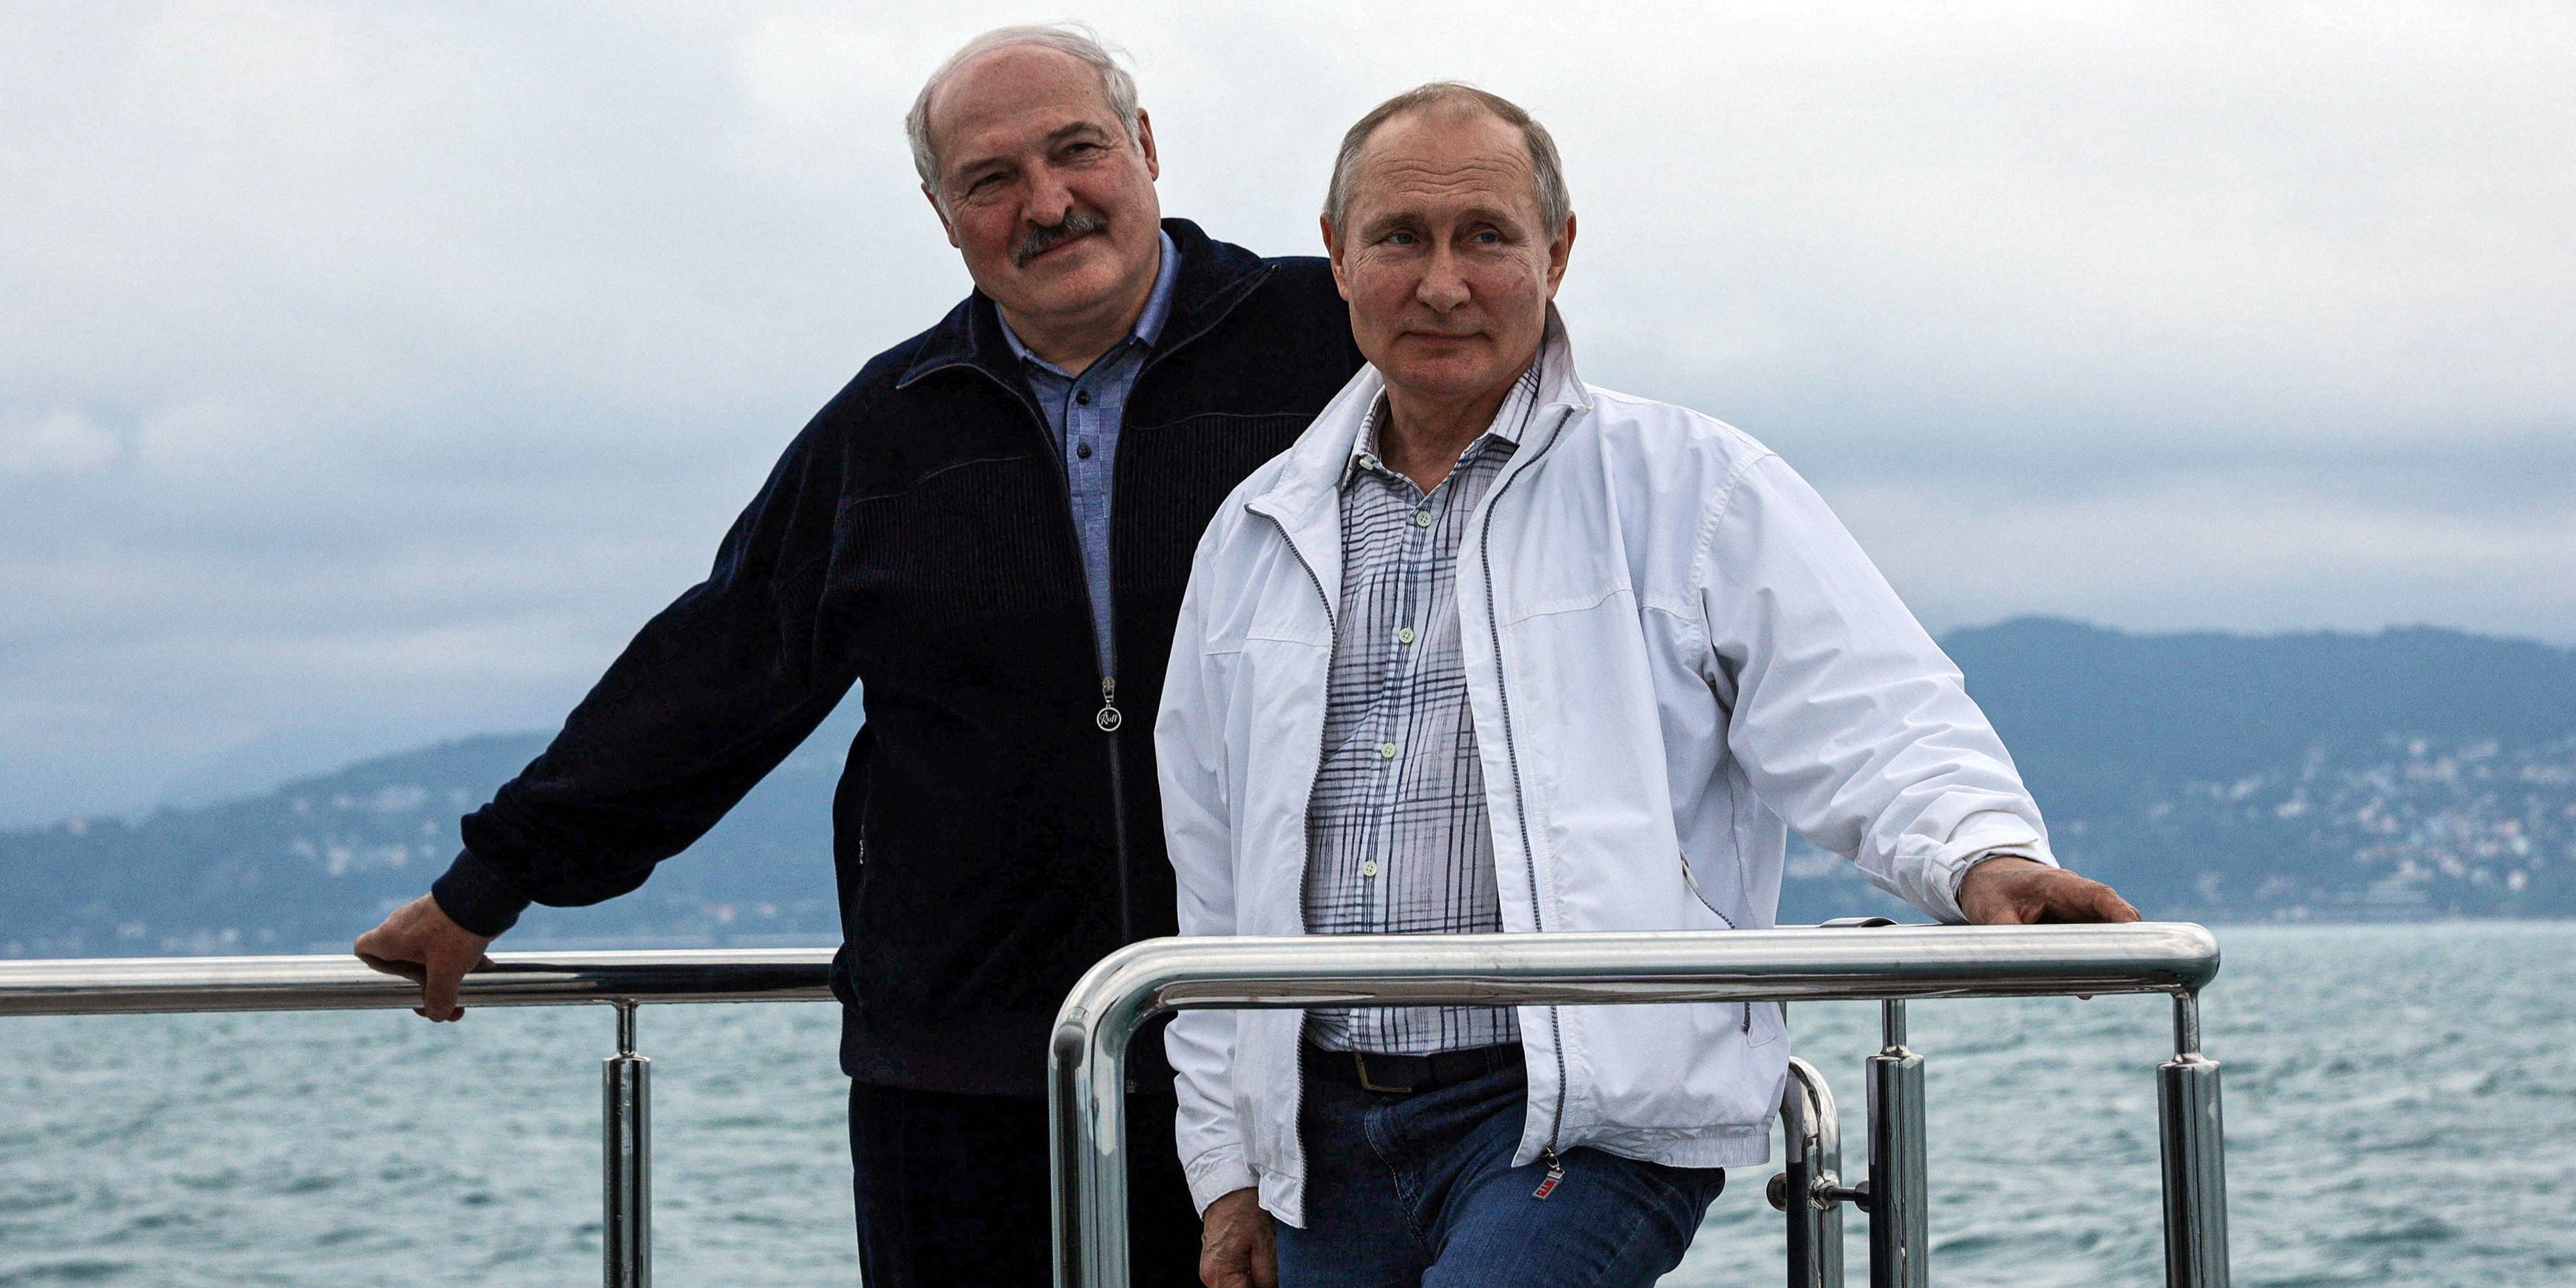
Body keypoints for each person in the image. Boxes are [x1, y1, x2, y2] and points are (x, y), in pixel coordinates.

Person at [351, 25, 1360, 1287]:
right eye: (991, 180)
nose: (1048, 203)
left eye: (1077, 151)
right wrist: (488, 882)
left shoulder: (1332, 349)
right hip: (959, 1080)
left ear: (1146, 146)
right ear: (942, 215)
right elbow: (717, 669)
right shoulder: (890, 427)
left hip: (1286, 1047)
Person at [1156, 82, 2140, 1288]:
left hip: (1584, 1115)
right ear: (1338, 254)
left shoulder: (1695, 485)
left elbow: (1871, 717)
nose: (1443, 284)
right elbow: (1213, 881)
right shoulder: (1254, 533)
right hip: (1322, 1141)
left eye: (1486, 237)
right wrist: (1229, 1172)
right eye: (1401, 237)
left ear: (1558, 252)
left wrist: (1982, 856)